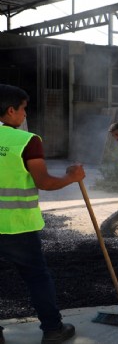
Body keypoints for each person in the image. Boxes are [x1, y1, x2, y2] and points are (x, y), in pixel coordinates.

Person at [0, 84, 85, 343]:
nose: (25, 115)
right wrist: (72, 177)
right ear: (11, 110)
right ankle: (52, 329)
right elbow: (44, 182)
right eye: (24, 109)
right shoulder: (27, 140)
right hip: (17, 227)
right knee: (37, 277)